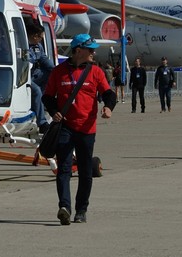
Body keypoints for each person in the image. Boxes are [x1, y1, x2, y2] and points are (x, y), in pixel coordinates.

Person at [42, 33, 117, 225]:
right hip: (65, 128)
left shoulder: (96, 72)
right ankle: (64, 207)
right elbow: (48, 97)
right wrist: (54, 111)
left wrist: (108, 107)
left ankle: (81, 210)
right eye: (90, 49)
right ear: (78, 51)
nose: (93, 53)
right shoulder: (58, 72)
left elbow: (109, 94)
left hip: (86, 129)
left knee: (85, 172)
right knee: (64, 169)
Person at [26, 24, 54, 132]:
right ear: (34, 36)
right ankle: (42, 122)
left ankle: (40, 103)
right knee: (36, 90)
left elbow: (44, 59)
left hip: (34, 75)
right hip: (23, 76)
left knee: (50, 75)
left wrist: (56, 71)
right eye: (40, 37)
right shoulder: (22, 44)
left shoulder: (38, 47)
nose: (41, 39)